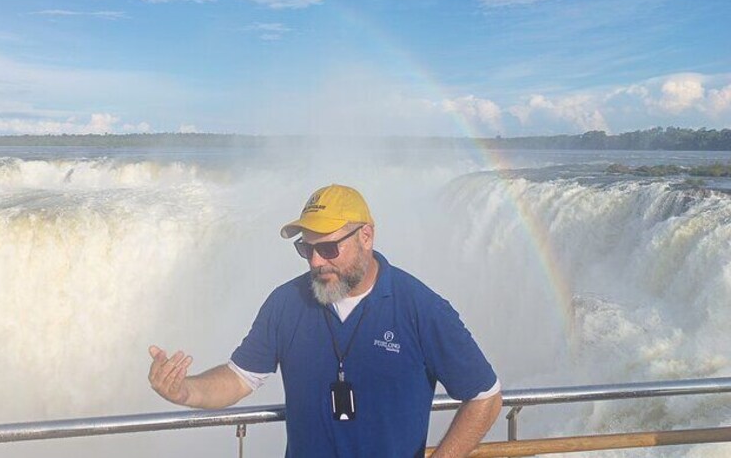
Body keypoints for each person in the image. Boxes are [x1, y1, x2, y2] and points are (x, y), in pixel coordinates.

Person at [149, 184, 502, 457]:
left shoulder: (421, 308)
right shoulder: (286, 303)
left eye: (329, 249)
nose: (316, 261)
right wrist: (185, 391)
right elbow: (240, 377)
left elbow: (485, 396)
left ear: (366, 236)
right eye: (307, 249)